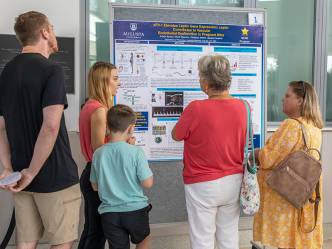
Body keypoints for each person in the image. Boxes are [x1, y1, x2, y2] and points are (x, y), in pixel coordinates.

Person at [0, 11, 81, 248]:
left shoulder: (6, 73)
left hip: (21, 177)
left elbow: (1, 128)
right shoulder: (52, 70)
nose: (54, 33)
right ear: (44, 32)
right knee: (61, 242)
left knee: (25, 242)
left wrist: (9, 168)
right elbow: (51, 125)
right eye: (52, 28)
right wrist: (33, 172)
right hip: (54, 177)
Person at [171, 54, 248, 249]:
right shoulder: (244, 107)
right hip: (234, 181)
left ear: (206, 83)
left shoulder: (196, 108)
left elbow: (176, 135)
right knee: (229, 238)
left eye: (199, 77)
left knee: (202, 239)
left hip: (202, 183)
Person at [251, 81, 324, 249]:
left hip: (284, 196)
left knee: (285, 241)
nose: (283, 99)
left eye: (287, 95)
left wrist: (254, 153)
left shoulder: (292, 125)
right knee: (296, 241)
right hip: (303, 195)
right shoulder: (314, 126)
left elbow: (268, 159)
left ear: (300, 101)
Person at [90, 104, 153, 249]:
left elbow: (94, 186)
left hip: (110, 214)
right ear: (131, 128)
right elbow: (147, 183)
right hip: (135, 211)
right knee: (143, 240)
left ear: (108, 127)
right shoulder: (136, 152)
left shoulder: (98, 153)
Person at [78, 61, 125, 249]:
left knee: (91, 230)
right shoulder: (99, 110)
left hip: (91, 174)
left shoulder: (89, 106)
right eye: (115, 79)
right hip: (98, 175)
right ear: (103, 81)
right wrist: (124, 142)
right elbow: (100, 151)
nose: (118, 83)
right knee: (98, 233)